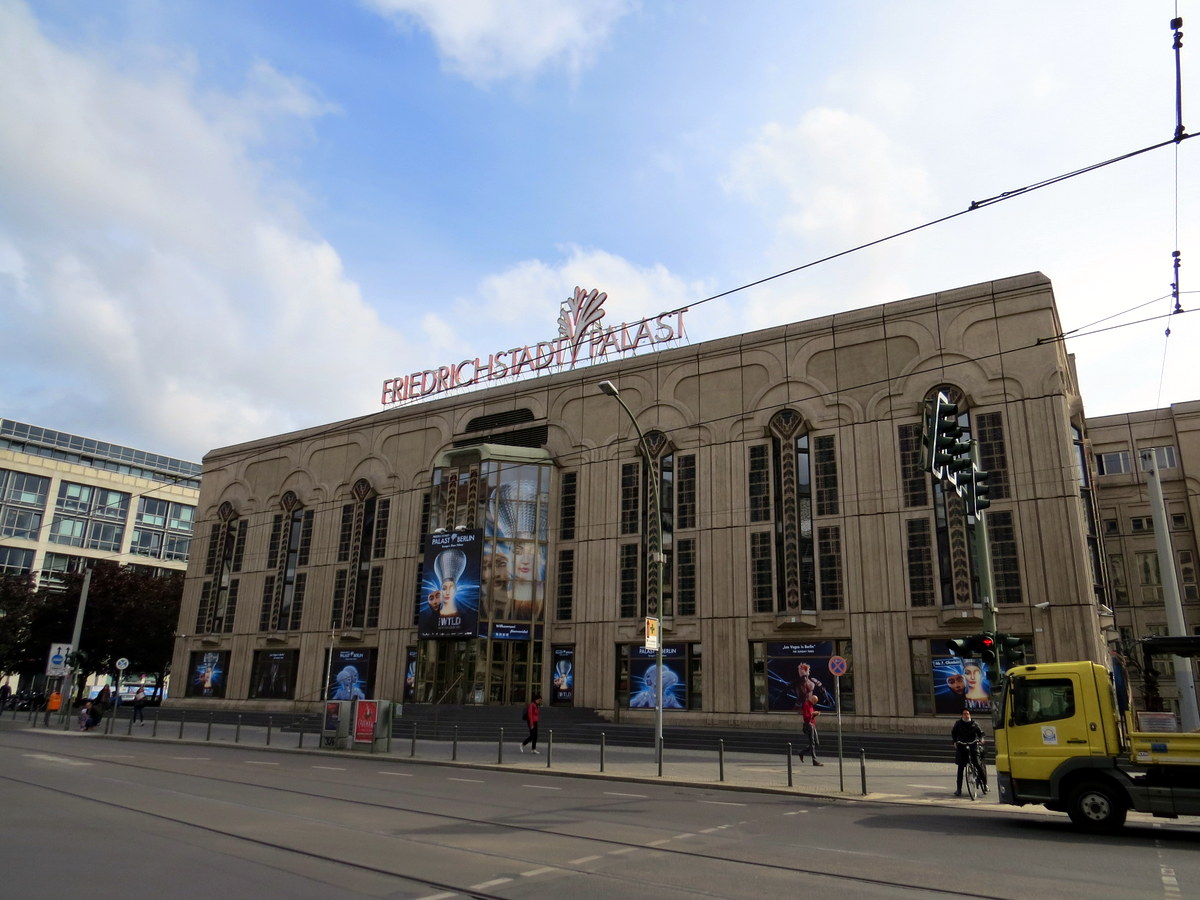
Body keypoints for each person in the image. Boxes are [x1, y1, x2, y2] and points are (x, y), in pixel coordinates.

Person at [952, 708, 988, 795]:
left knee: (977, 764)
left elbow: (981, 733)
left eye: (967, 713)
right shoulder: (958, 724)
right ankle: (958, 789)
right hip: (962, 745)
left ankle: (985, 784)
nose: (966, 715)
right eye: (964, 714)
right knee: (960, 768)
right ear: (962, 715)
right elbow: (954, 733)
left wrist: (981, 739)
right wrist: (955, 742)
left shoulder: (974, 724)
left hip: (973, 745)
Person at [797, 693, 823, 765]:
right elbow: (806, 717)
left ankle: (802, 752)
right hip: (808, 725)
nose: (815, 703)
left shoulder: (811, 705)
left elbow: (811, 715)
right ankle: (814, 760)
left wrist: (815, 714)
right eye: (815, 702)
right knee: (812, 743)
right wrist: (813, 714)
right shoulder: (806, 705)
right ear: (813, 700)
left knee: (816, 743)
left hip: (812, 724)